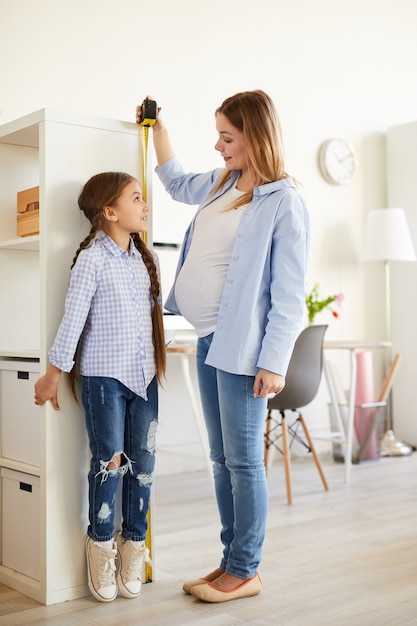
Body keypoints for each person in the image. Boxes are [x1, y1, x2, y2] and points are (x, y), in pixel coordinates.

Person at [136, 90, 310, 603]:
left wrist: (274, 363)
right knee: (220, 459)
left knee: (243, 463)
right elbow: (173, 182)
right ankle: (230, 560)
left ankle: (246, 568)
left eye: (227, 137)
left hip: (244, 351)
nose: (218, 146)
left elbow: (289, 293)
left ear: (255, 137)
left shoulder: (285, 201)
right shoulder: (221, 182)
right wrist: (158, 130)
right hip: (210, 342)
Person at [34, 172, 166, 603]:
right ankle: (102, 545)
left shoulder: (145, 260)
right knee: (110, 464)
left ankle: (134, 546)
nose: (144, 205)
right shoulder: (92, 258)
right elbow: (73, 320)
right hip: (104, 379)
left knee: (142, 467)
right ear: (110, 212)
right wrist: (54, 374)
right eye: (136, 198)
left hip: (144, 379)